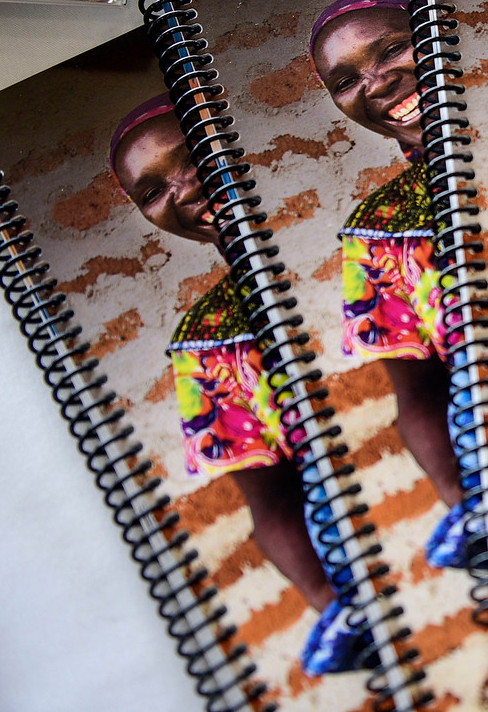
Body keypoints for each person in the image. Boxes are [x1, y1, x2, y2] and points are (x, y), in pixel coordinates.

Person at [109, 96, 367, 676]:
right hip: (369, 572)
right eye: (152, 191)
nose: (183, 189)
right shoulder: (211, 342)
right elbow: (270, 505)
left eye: (194, 153)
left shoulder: (378, 230)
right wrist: (337, 607)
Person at [308, 0, 472, 570]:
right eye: (346, 82)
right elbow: (418, 397)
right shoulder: (379, 235)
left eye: (394, 50)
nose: (375, 84)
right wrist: (465, 505)